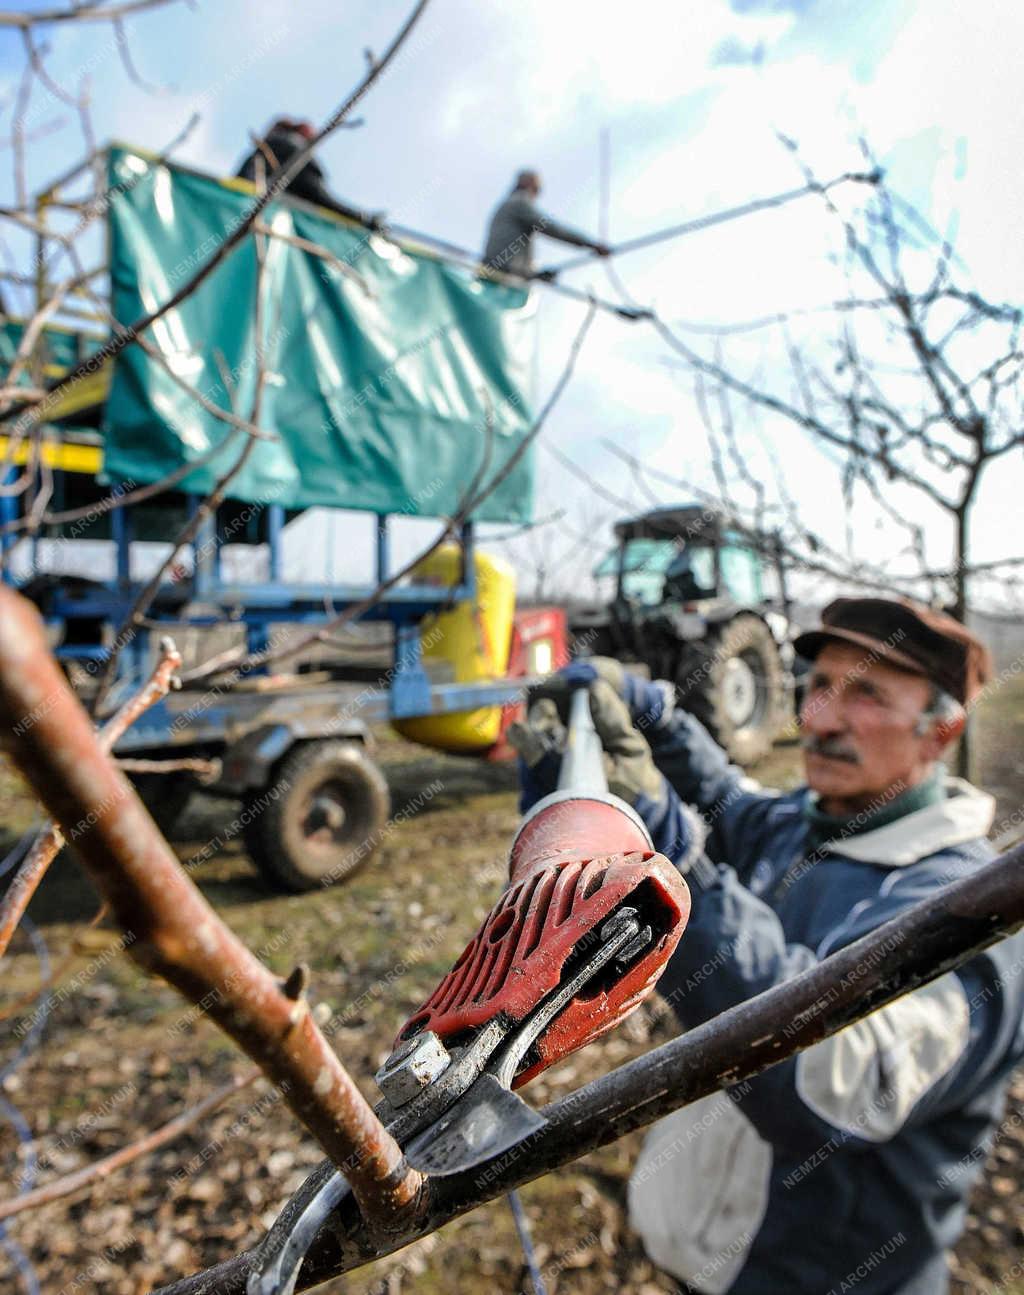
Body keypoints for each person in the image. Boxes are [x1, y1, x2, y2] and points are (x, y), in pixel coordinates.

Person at [513, 597, 1024, 1295]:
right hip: (713, 1255)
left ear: (941, 731)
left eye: (868, 694)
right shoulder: (811, 822)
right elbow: (731, 797)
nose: (820, 720)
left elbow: (832, 1081)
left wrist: (666, 866)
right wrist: (653, 713)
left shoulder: (973, 921)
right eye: (819, 685)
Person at [236, 117, 383, 229]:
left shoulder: (263, 151)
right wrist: (363, 219)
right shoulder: (291, 147)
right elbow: (316, 194)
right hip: (269, 217)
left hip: (243, 212)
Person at [481, 169, 611, 279]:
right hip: (503, 275)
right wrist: (592, 244)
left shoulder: (508, 204)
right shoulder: (519, 203)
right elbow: (552, 228)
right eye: (536, 189)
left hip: (501, 271)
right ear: (527, 184)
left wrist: (535, 275)